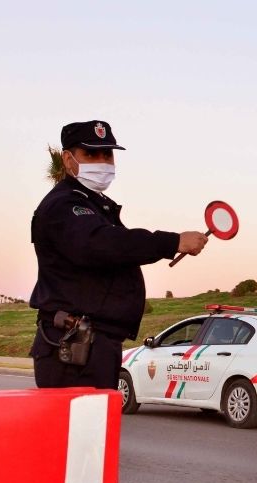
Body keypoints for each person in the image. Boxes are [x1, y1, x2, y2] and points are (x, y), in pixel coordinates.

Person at [29, 120, 208, 389]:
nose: (103, 161)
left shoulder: (96, 205)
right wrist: (172, 242)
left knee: (95, 429)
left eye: (108, 154)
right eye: (91, 154)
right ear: (68, 159)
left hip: (93, 344)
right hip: (71, 347)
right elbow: (104, 245)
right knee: (77, 430)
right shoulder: (64, 205)